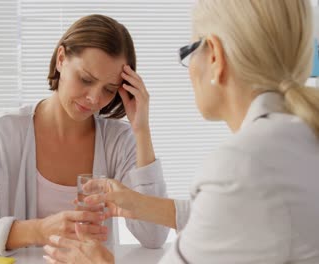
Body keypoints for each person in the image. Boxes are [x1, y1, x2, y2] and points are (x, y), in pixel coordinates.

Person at [43, 1, 319, 263]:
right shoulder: (295, 138)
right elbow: (224, 215)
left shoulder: (245, 164)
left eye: (189, 51)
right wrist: (138, 203)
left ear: (215, 56)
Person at [0, 14, 171, 256]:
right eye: (85, 79)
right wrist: (38, 230)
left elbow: (154, 237)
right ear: (61, 59)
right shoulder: (3, 133)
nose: (94, 98)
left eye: (109, 89)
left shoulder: (119, 141)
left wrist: (142, 131)